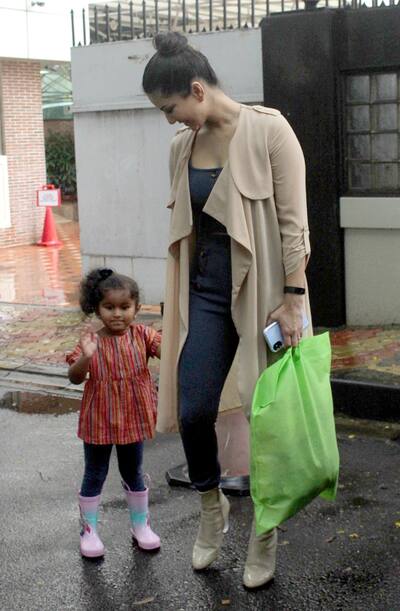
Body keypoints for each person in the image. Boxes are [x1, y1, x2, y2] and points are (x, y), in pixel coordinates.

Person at [142, 32, 312, 588]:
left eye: (171, 109)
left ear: (196, 89)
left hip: (266, 295)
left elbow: (293, 223)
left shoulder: (268, 130)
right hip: (206, 296)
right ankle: (211, 506)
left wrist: (294, 300)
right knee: (193, 410)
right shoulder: (180, 149)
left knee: (267, 422)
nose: (170, 121)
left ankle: (265, 532)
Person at [66, 268, 161, 558]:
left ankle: (140, 525)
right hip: (99, 420)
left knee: (133, 471)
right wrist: (87, 357)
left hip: (133, 418)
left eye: (124, 307)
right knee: (95, 473)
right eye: (109, 307)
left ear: (136, 308)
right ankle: (89, 531)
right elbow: (74, 376)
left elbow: (169, 351)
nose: (117, 314)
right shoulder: (90, 341)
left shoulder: (143, 335)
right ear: (97, 308)